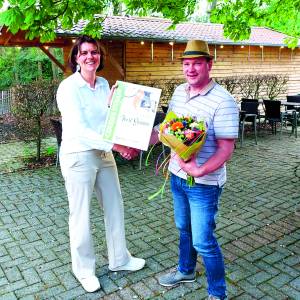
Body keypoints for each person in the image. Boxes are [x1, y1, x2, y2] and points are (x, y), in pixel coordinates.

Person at [56, 35, 145, 293]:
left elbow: (109, 120)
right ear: (76, 58)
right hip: (78, 156)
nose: (90, 57)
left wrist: (120, 110)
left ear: (99, 56)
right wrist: (117, 146)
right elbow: (80, 130)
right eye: (84, 53)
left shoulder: (105, 84)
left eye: (94, 52)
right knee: (81, 215)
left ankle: (120, 259)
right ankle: (83, 270)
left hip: (103, 154)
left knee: (115, 206)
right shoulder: (68, 88)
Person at [157, 40, 239, 300]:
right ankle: (186, 270)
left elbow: (226, 148)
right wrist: (132, 141)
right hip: (178, 177)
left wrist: (201, 170)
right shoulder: (180, 92)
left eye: (197, 63)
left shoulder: (223, 101)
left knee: (203, 240)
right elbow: (169, 130)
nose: (191, 69)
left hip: (204, 184)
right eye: (186, 64)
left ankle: (218, 293)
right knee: (184, 228)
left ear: (209, 65)